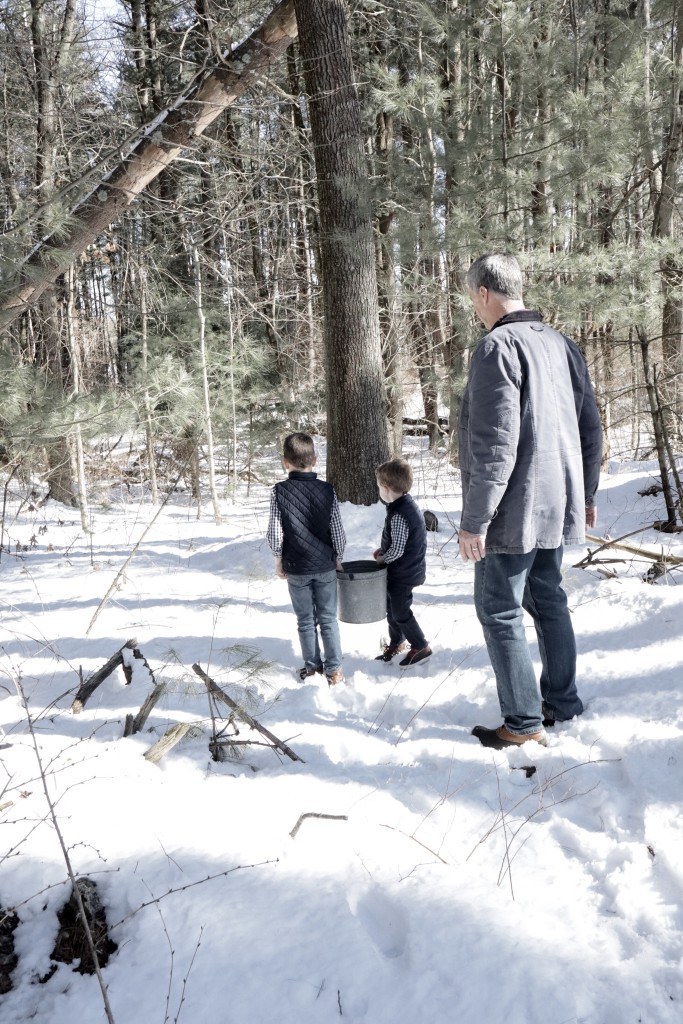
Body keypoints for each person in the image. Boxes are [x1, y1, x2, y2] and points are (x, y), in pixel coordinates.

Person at [459, 253, 602, 749]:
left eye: (472, 299)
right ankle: (561, 702)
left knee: (499, 609)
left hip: (513, 510)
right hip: (557, 498)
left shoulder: (497, 346)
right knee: (548, 598)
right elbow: (590, 427)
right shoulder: (561, 343)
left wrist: (474, 521)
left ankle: (522, 723)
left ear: (483, 293)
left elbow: (495, 444)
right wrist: (586, 493)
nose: (474, 308)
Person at [267, 432, 345, 685]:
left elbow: (274, 531)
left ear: (285, 462)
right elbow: (337, 530)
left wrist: (278, 558)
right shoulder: (327, 490)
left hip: (296, 567)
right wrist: (338, 557)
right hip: (324, 565)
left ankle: (312, 667)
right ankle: (334, 670)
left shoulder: (279, 491)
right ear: (315, 459)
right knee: (328, 619)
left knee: (305, 620)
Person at [373, 458, 431, 667]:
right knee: (392, 608)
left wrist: (383, 558)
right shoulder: (405, 505)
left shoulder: (399, 514)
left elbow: (397, 549)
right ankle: (397, 641)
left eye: (379, 486)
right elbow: (401, 542)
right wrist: (385, 551)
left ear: (386, 488)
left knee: (400, 612)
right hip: (403, 569)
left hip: (403, 573)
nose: (379, 490)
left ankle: (421, 645)